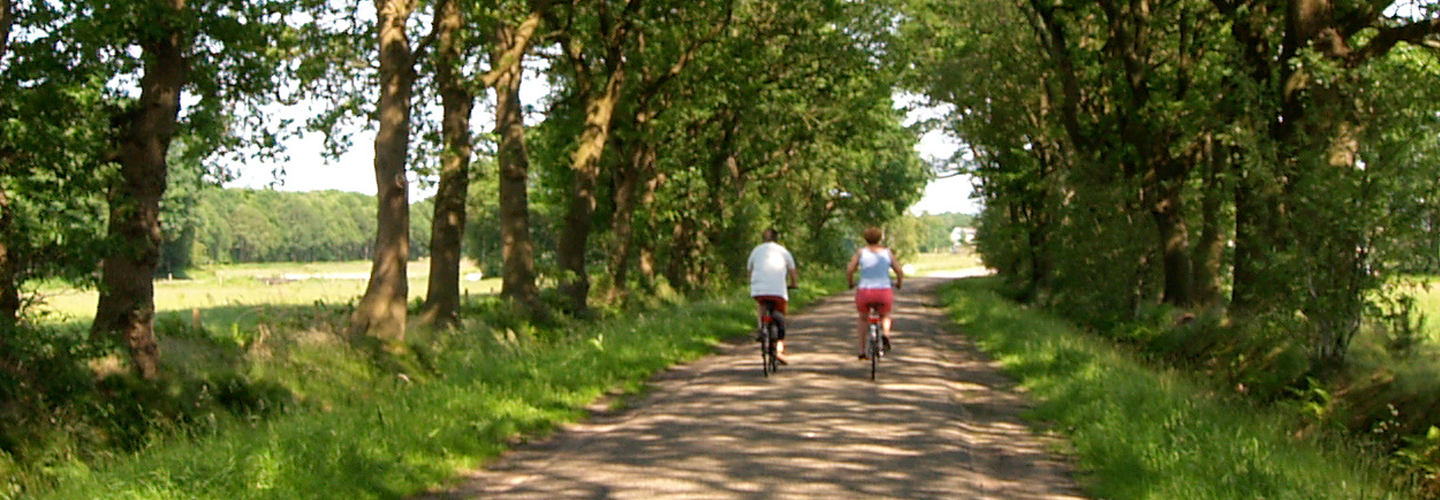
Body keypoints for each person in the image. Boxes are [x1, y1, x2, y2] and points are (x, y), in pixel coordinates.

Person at [846, 226, 903, 360]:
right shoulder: (887, 253)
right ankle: (886, 335)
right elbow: (899, 271)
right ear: (880, 238)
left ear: (865, 238)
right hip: (883, 291)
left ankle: (861, 351)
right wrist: (899, 283)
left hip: (865, 291)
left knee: (863, 318)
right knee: (885, 315)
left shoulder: (861, 252)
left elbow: (850, 270)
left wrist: (850, 283)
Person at [747, 228, 798, 364]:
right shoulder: (783, 251)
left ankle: (761, 329)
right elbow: (792, 271)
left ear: (763, 238)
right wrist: (794, 284)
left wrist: (752, 283)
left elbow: (749, 270)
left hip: (759, 289)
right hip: (778, 291)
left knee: (761, 305)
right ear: (777, 239)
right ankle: (779, 350)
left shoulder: (756, 251)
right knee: (780, 314)